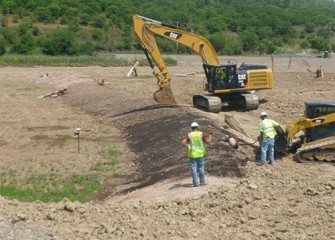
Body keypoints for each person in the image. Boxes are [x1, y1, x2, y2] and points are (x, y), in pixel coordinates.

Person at [182, 122, 212, 187]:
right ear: (197, 127)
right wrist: (210, 134)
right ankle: (202, 182)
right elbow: (208, 142)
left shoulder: (189, 135)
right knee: (201, 167)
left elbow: (183, 142)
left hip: (192, 154)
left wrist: (188, 147)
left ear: (191, 128)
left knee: (194, 168)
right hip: (200, 153)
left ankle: (195, 183)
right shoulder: (201, 134)